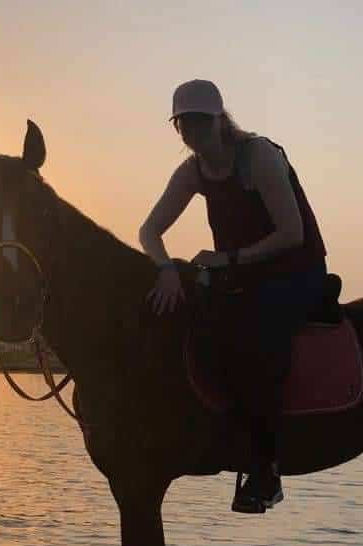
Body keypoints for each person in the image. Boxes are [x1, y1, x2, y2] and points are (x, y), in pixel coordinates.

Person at [139, 79, 328, 514]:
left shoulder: (258, 156)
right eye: (184, 124)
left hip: (296, 271)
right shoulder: (193, 171)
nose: (192, 132)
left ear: (221, 120)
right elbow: (149, 230)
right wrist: (166, 269)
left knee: (255, 339)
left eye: (200, 122)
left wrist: (227, 258)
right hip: (240, 274)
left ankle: (266, 469)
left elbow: (292, 233)